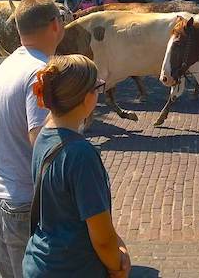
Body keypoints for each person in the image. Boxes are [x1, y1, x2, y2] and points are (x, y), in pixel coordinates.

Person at [23, 55, 130, 278]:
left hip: (41, 263)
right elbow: (101, 238)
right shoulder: (81, 154)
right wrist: (118, 264)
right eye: (98, 87)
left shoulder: (43, 136)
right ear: (86, 97)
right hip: (73, 268)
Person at [0, 0, 65, 278]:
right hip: (25, 205)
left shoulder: (6, 66)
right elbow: (41, 143)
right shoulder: (40, 72)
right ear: (55, 24)